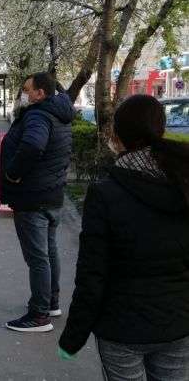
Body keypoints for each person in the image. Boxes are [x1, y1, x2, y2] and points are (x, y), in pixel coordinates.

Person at [58, 95, 189, 380]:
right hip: (178, 323)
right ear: (161, 128)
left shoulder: (105, 193)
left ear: (117, 136)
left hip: (121, 328)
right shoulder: (183, 182)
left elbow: (92, 274)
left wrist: (73, 337)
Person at [0, 72, 75, 332]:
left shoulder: (38, 115)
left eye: (27, 89)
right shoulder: (59, 114)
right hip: (52, 195)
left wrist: (13, 173)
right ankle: (51, 303)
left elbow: (32, 146)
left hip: (33, 198)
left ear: (40, 93)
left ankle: (39, 315)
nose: (24, 94)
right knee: (48, 252)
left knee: (38, 258)